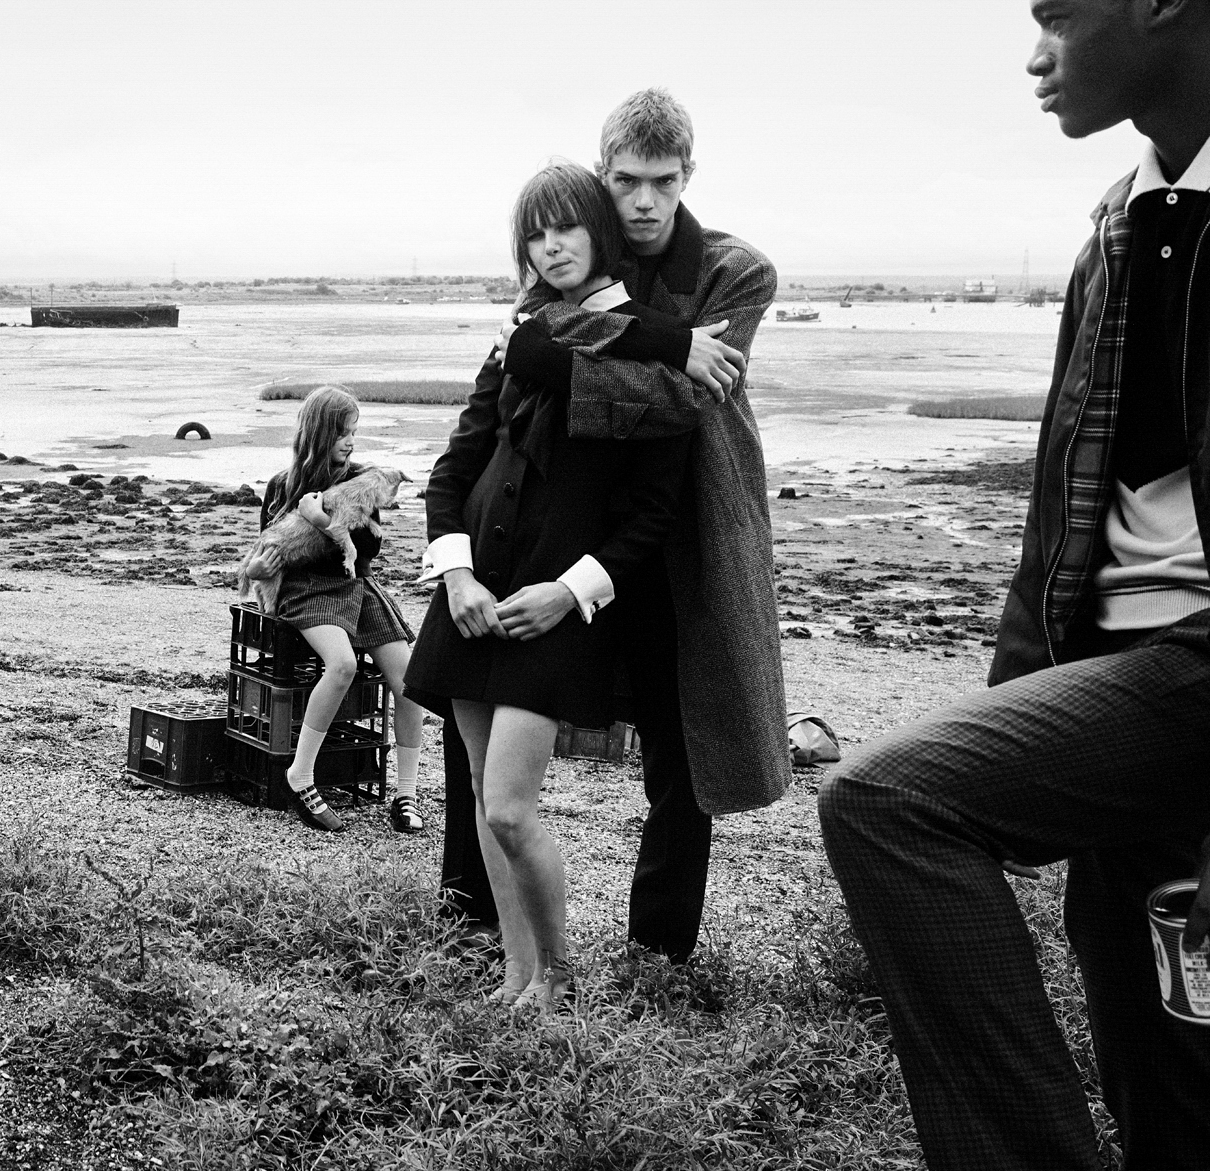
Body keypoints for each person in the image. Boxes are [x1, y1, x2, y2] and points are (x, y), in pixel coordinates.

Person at [819, 4, 1210, 1167]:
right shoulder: (1118, 221)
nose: (1034, 56)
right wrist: (1019, 710)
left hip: (1189, 677)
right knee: (1165, 1060)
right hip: (1112, 686)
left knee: (887, 803)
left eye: (1055, 17)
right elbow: (1060, 496)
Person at [435, 89, 788, 963]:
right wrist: (661, 345)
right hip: (566, 526)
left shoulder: (735, 271)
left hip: (683, 534)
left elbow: (681, 402)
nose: (642, 201)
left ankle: (657, 953)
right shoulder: (569, 259)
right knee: (476, 715)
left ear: (687, 178)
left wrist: (545, 354)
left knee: (682, 744)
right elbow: (511, 406)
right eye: (625, 180)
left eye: (661, 182)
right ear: (604, 176)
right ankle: (469, 913)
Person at [407, 161, 698, 1007]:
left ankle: (557, 982)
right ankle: (513, 976)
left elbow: (651, 515)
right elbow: (453, 468)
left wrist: (569, 593)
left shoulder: (644, 341)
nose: (550, 245)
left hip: (554, 610)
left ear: (599, 231)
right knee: (479, 800)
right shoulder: (515, 334)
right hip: (471, 599)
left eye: (565, 227)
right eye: (535, 233)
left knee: (506, 807)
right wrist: (454, 573)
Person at [255, 386, 427, 834]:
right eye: (343, 433)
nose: (351, 441)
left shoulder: (361, 478)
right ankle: (302, 775)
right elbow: (267, 548)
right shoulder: (281, 485)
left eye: (355, 431)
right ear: (319, 433)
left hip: (355, 582)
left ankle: (405, 794)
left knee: (411, 681)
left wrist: (323, 522)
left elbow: (368, 547)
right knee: (343, 666)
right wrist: (257, 568)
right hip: (306, 590)